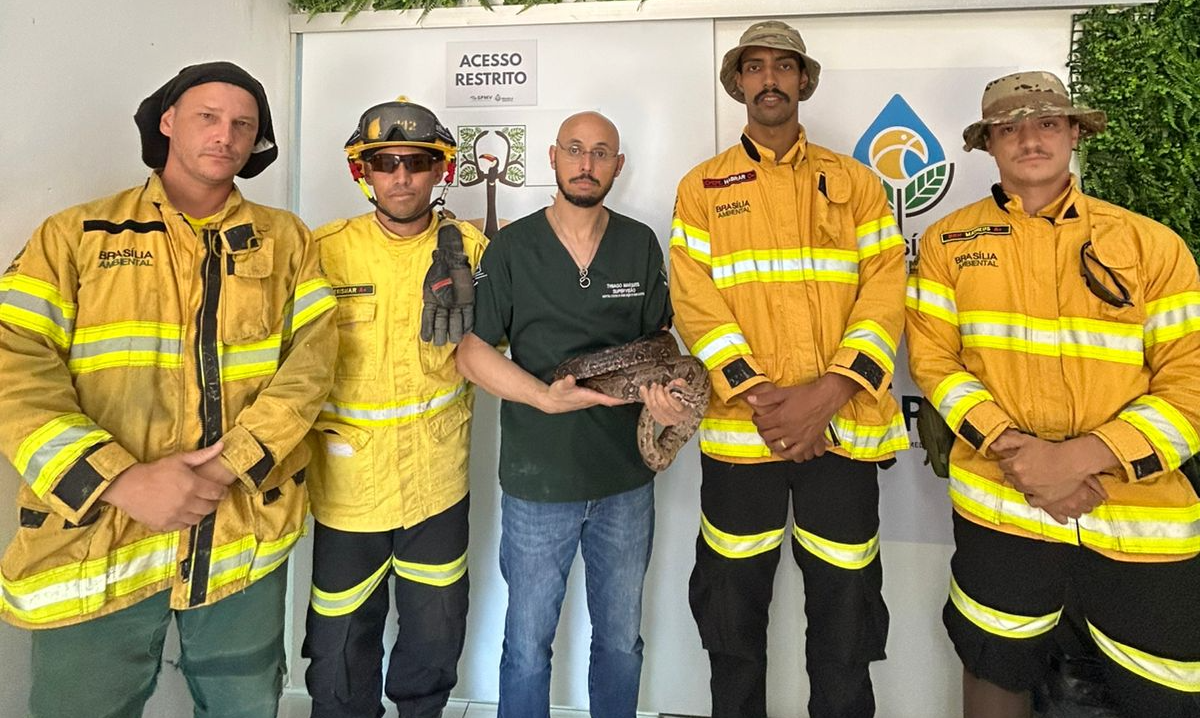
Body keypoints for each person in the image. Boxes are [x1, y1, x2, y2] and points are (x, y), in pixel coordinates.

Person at [0, 61, 338, 717]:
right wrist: (120, 480)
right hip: (95, 542)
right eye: (208, 116)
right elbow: (14, 365)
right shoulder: (76, 236)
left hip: (241, 535)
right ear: (167, 121)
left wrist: (228, 463)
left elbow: (312, 362)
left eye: (243, 124)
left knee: (244, 705)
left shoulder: (286, 240)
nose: (226, 135)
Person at [907, 70, 1200, 718]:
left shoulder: (1152, 245)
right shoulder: (948, 241)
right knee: (993, 668)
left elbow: (1191, 381)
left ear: (1073, 132)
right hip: (1001, 512)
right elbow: (934, 362)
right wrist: (1019, 453)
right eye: (1009, 128)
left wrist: (1078, 458)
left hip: (1139, 526)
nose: (1028, 139)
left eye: (1046, 123)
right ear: (989, 143)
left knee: (1166, 692)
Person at [669, 20, 909, 718]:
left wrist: (830, 391)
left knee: (845, 618)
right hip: (748, 437)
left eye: (783, 66)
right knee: (731, 618)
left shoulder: (856, 182)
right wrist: (765, 398)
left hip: (840, 434)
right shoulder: (702, 187)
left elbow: (886, 289)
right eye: (754, 67)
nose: (769, 78)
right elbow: (695, 301)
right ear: (737, 82)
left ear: (803, 80)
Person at [455, 111, 688, 718]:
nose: (588, 164)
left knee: (621, 642)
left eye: (602, 153)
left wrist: (665, 400)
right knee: (527, 647)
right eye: (577, 151)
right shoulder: (513, 246)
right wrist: (542, 396)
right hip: (540, 481)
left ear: (618, 166)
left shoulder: (638, 243)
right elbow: (472, 352)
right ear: (554, 158)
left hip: (626, 482)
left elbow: (661, 345)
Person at [301, 97, 488, 718]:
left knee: (434, 641)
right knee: (340, 650)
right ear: (364, 171)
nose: (402, 176)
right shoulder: (322, 251)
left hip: (437, 483)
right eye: (386, 162)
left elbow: (507, 349)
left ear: (442, 170)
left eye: (417, 161)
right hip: (347, 486)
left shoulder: (472, 250)